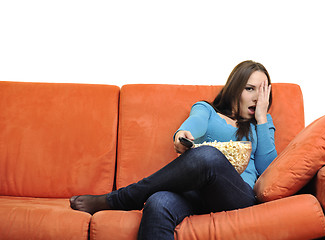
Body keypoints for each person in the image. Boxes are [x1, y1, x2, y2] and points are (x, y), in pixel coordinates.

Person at [70, 60, 277, 240]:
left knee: (209, 156)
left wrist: (261, 118)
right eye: (250, 89)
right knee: (157, 202)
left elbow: (267, 169)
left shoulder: (262, 124)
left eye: (262, 91)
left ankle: (121, 199)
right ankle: (133, 197)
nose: (257, 98)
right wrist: (183, 133)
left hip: (236, 195)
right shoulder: (207, 110)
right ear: (234, 88)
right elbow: (195, 122)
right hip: (196, 194)